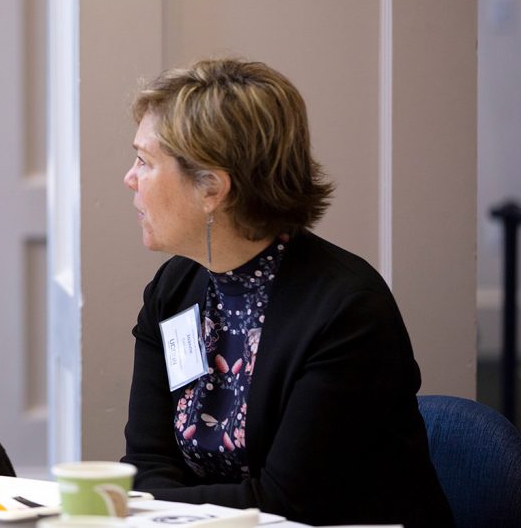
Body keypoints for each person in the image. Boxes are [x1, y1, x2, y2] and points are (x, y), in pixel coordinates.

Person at [120, 58, 452, 527]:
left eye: (144, 161)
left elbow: (288, 502)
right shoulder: (175, 290)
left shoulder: (345, 310)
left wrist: (155, 509)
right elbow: (147, 467)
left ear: (212, 188)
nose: (129, 178)